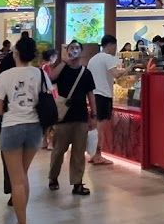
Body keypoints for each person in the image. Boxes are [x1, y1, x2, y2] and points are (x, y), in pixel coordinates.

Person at [0, 34, 43, 224]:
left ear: (16, 54)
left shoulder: (5, 76)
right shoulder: (40, 73)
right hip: (34, 128)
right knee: (23, 175)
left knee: (17, 180)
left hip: (12, 127)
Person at [46, 40, 96, 196]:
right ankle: (53, 177)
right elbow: (51, 78)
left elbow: (90, 94)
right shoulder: (62, 69)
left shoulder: (86, 73)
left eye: (76, 48)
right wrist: (64, 62)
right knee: (58, 151)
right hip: (62, 117)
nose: (74, 50)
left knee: (79, 152)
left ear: (81, 52)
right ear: (66, 51)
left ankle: (77, 183)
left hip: (80, 116)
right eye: (71, 48)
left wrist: (93, 114)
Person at [86, 34, 125, 167]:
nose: (115, 49)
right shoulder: (108, 58)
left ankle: (93, 154)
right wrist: (130, 68)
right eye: (115, 46)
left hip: (94, 96)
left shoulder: (93, 59)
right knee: (100, 127)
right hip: (103, 96)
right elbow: (117, 75)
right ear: (110, 45)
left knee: (96, 127)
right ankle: (98, 155)